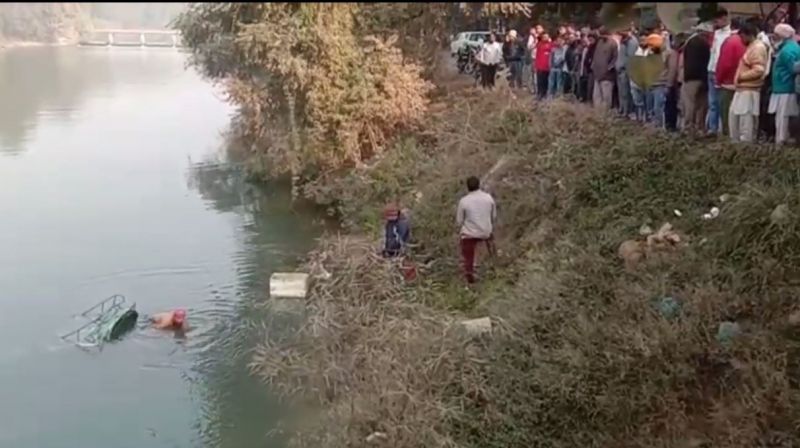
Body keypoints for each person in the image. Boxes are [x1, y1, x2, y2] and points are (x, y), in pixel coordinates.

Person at [729, 22, 768, 143]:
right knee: (735, 120)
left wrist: (741, 77)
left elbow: (759, 70)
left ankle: (745, 148)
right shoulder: (752, 47)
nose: (741, 40)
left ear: (749, 35)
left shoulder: (757, 48)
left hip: (749, 91)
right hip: (742, 89)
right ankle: (736, 145)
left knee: (746, 123)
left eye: (742, 37)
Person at [456, 176, 496, 284]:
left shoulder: (464, 201)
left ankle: (469, 274)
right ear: (479, 185)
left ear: (467, 187)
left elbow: (459, 221)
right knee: (491, 242)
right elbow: (493, 216)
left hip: (470, 234)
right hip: (486, 232)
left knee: (467, 253)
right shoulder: (488, 198)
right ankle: (495, 266)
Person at [769, 23, 800, 145]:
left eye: (776, 35)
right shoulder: (788, 48)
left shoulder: (788, 50)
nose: (774, 37)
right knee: (783, 119)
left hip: (786, 89)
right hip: (783, 88)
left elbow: (793, 68)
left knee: (783, 120)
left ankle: (781, 143)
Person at [715, 18, 746, 137]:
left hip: (728, 83)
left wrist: (718, 79)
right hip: (742, 83)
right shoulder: (746, 41)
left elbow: (724, 63)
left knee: (727, 113)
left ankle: (728, 138)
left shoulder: (730, 41)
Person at [681, 23, 712, 134]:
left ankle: (688, 128)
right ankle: (700, 127)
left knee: (689, 103)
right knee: (702, 105)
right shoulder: (707, 44)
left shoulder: (691, 42)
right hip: (704, 78)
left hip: (691, 77)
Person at [707, 8, 732, 135]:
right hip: (711, 69)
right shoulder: (716, 34)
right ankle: (713, 128)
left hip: (721, 70)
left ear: (725, 18)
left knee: (722, 101)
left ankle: (723, 129)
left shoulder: (731, 34)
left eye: (719, 19)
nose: (717, 22)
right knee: (712, 102)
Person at [647, 33, 671, 128]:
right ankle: (655, 124)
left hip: (661, 84)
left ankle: (660, 127)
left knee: (658, 107)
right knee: (652, 107)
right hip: (651, 83)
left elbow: (669, 69)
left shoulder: (666, 54)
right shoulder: (651, 54)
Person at [591, 28, 618, 111]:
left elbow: (615, 58)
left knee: (606, 97)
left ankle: (605, 115)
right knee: (596, 96)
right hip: (597, 75)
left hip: (607, 76)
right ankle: (598, 114)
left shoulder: (613, 43)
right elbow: (596, 56)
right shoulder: (599, 43)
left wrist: (609, 67)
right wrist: (593, 65)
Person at [617, 28, 639, 117]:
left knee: (626, 93)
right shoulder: (623, 41)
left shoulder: (632, 42)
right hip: (620, 70)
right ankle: (622, 109)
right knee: (622, 92)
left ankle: (627, 112)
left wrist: (623, 68)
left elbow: (630, 59)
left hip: (626, 71)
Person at [535, 32, 553, 99]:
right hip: (540, 66)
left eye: (546, 37)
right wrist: (536, 65)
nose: (545, 38)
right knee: (540, 81)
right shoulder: (539, 45)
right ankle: (540, 94)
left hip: (547, 67)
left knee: (546, 81)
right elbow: (537, 56)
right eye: (544, 37)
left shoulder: (551, 45)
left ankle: (545, 94)